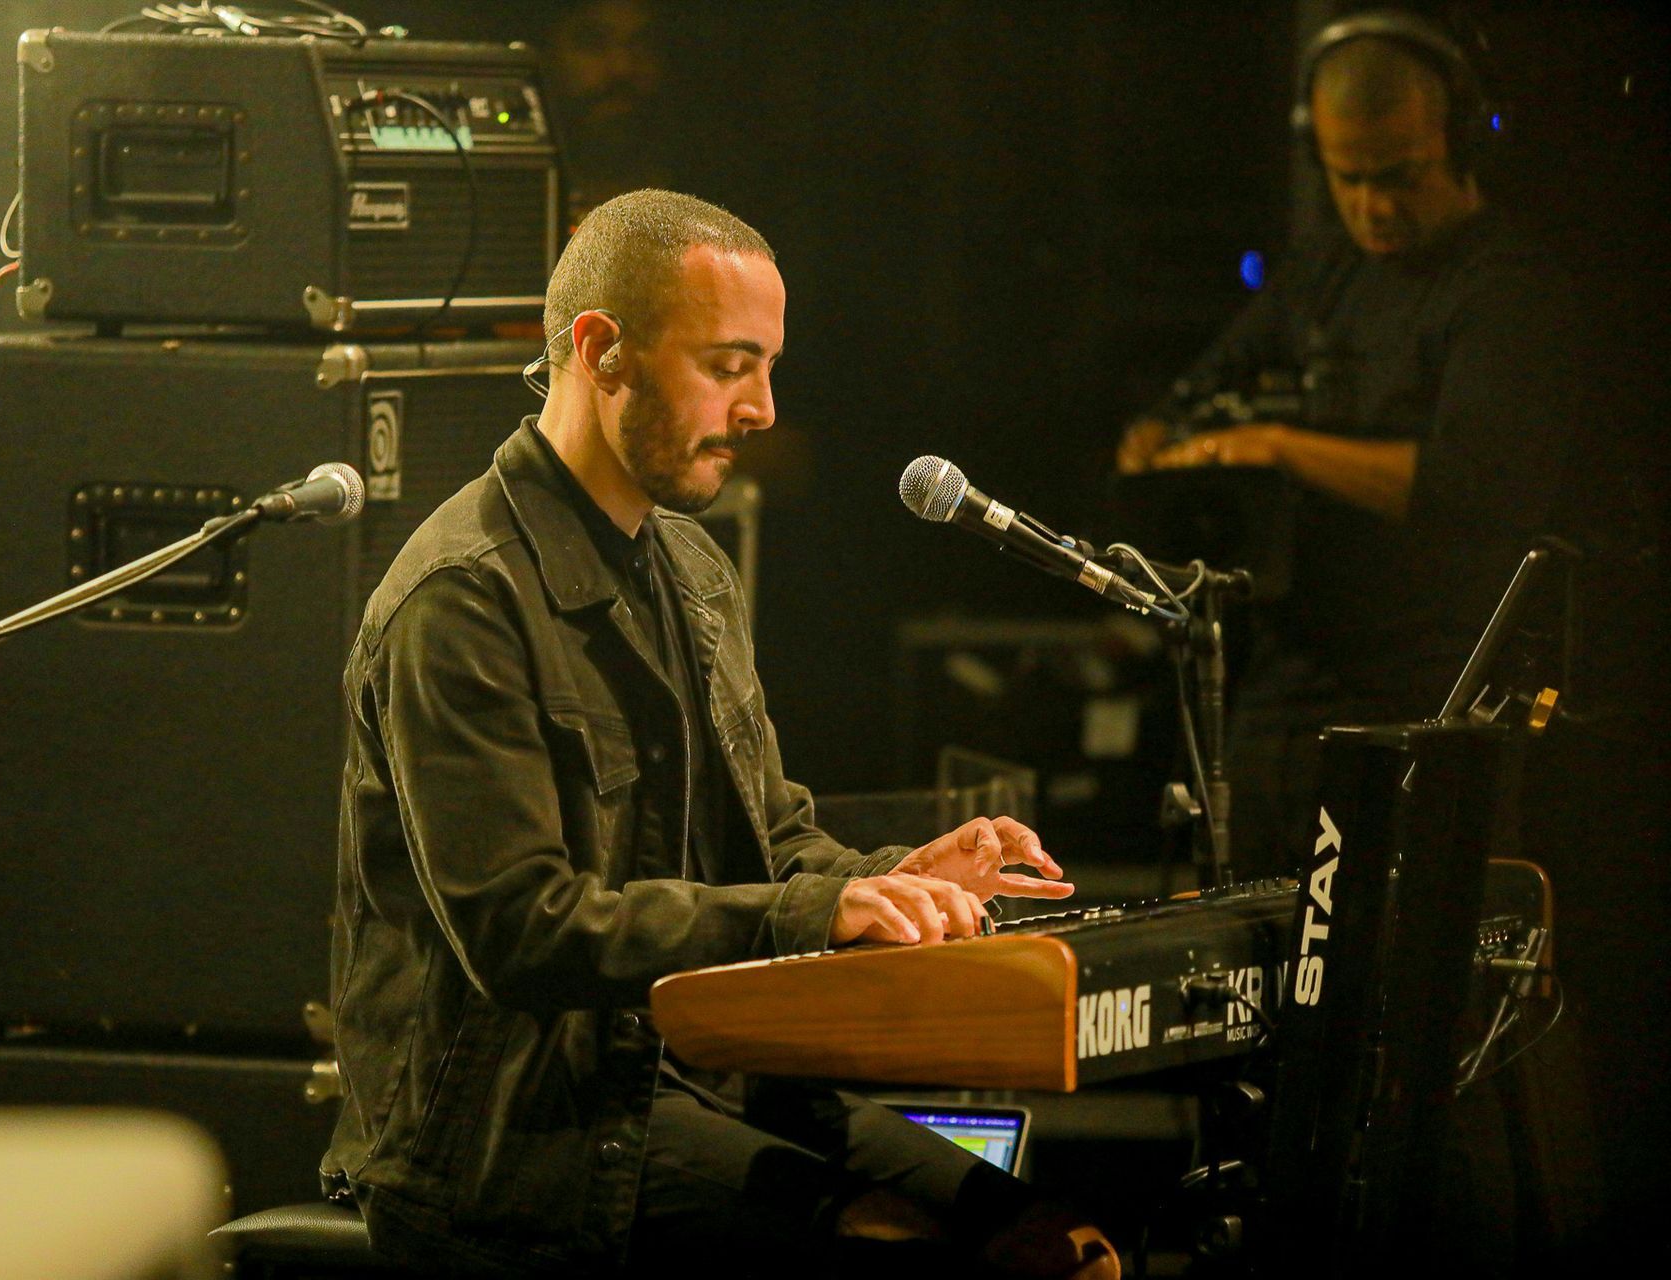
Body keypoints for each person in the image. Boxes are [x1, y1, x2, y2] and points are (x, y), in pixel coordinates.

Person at [321, 189, 1118, 1278]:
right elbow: (519, 929)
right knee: (900, 1241)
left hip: (696, 1071)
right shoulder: (463, 597)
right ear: (601, 351)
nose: (763, 410)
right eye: (730, 366)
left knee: (1059, 1244)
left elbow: (771, 844)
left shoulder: (692, 568)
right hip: (517, 1128)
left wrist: (895, 879)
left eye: (768, 368)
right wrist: (821, 909)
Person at [1116, 11, 1576, 877]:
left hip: (1433, 687)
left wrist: (1278, 445)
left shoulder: (1504, 289)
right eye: (1348, 178)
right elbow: (1190, 398)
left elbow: (1473, 484)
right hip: (1290, 681)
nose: (1374, 206)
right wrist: (1158, 444)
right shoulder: (1325, 273)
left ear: (1462, 141)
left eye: (1400, 177)